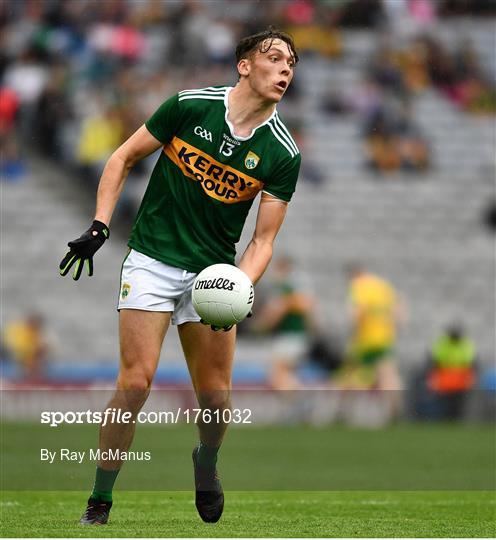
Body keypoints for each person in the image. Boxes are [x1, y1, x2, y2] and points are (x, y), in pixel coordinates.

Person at [59, 28, 300, 525]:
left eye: (291, 64)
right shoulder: (189, 106)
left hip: (211, 275)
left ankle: (206, 461)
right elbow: (122, 156)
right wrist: (100, 224)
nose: (285, 70)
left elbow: (262, 241)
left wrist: (241, 283)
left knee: (215, 397)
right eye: (274, 58)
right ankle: (100, 500)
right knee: (135, 383)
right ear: (244, 65)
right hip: (151, 257)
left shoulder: (283, 153)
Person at [338, 264, 405, 418]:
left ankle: (345, 411)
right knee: (387, 374)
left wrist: (355, 333)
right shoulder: (382, 285)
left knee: (349, 373)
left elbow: (356, 313)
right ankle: (394, 410)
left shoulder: (358, 287)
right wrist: (394, 328)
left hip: (365, 338)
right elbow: (398, 309)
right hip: (384, 337)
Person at [252, 256, 315, 390]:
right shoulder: (296, 288)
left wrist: (259, 327)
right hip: (297, 336)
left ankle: (303, 397)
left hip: (288, 338)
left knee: (277, 375)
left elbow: (273, 314)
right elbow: (309, 309)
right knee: (285, 374)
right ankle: (298, 404)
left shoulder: (284, 289)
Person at [426, 323, 477, 420]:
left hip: (460, 380)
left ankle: (458, 421)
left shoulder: (466, 344)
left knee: (458, 404)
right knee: (444, 404)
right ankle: (445, 421)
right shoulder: (442, 343)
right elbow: (434, 362)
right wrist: (433, 379)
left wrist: (470, 379)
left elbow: (471, 364)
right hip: (445, 380)